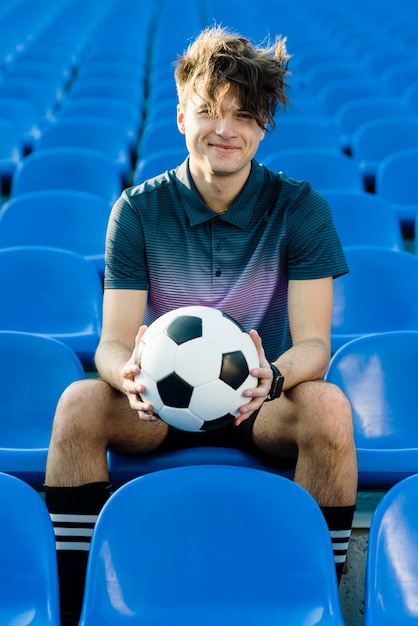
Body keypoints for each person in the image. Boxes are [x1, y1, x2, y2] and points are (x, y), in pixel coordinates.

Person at [45, 25, 358, 625]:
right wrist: (129, 375)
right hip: (160, 408)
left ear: (263, 125)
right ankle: (77, 603)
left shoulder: (301, 207)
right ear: (181, 117)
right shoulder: (137, 210)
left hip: (258, 404)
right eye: (209, 111)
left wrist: (272, 377)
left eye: (244, 115)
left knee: (329, 409)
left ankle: (322, 597)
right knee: (79, 403)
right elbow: (113, 342)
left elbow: (314, 344)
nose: (226, 130)